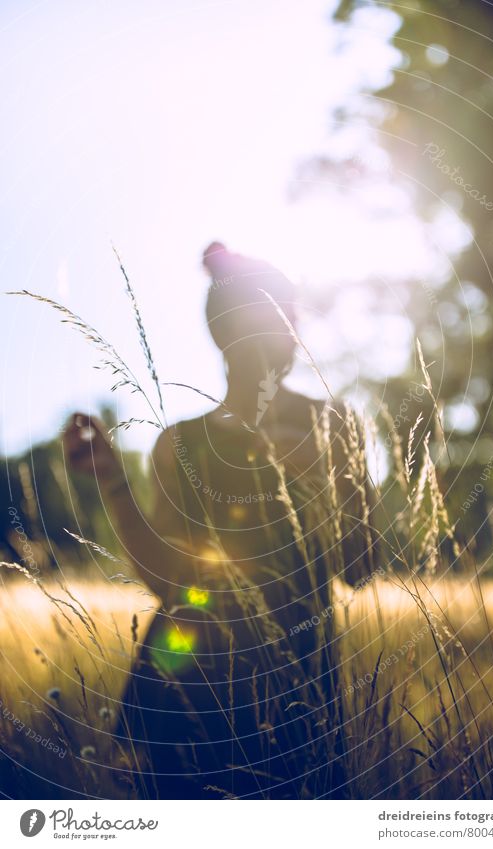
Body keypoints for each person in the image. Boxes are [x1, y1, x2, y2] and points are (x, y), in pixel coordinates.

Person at [64, 243, 376, 799]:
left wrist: (343, 486)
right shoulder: (181, 444)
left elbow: (361, 567)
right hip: (186, 690)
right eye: (284, 316)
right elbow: (170, 583)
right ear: (235, 331)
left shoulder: (334, 426)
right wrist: (114, 485)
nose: (295, 331)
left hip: (299, 686)